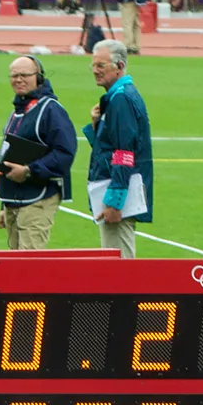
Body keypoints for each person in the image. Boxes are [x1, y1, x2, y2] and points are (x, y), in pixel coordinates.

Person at [0, 54, 76, 250]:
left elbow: (65, 153)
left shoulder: (51, 110)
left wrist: (29, 170)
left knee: (28, 262)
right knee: (14, 262)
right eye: (14, 76)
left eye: (24, 75)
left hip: (39, 196)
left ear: (38, 77)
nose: (18, 80)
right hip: (13, 197)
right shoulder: (18, 110)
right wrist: (3, 205)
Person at [85, 39, 152, 259]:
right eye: (93, 65)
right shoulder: (118, 96)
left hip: (118, 194)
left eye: (101, 66)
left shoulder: (121, 99)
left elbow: (124, 153)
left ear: (120, 66)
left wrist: (115, 202)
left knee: (118, 263)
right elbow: (109, 147)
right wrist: (97, 125)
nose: (95, 71)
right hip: (115, 186)